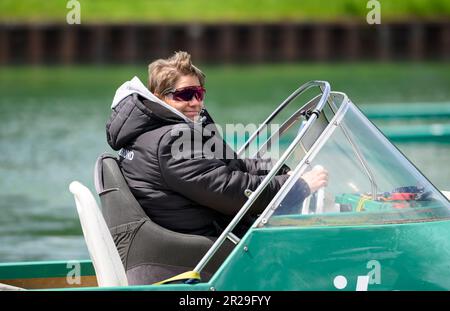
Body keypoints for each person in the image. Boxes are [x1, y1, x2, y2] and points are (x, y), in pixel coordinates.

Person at [106, 51, 328, 237]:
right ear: (159, 96)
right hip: (202, 245)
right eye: (184, 95)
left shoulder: (155, 131)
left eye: (199, 93)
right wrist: (297, 187)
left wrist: (282, 171)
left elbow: (231, 164)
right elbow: (230, 192)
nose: (195, 102)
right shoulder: (171, 140)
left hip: (192, 233)